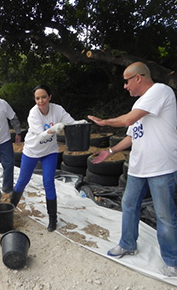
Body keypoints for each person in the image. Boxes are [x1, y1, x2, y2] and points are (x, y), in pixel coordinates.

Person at [87, 61, 177, 277]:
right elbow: (131, 137)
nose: (125, 86)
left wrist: (104, 121)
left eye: (127, 81)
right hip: (138, 167)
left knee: (164, 215)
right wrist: (109, 152)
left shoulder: (160, 91)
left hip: (161, 167)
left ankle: (172, 260)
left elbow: (127, 120)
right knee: (128, 205)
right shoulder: (141, 103)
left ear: (139, 77)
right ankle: (128, 244)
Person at [10, 84, 87, 232]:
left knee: (48, 182)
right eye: (37, 98)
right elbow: (40, 135)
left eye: (44, 97)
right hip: (32, 150)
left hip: (50, 151)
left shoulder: (57, 109)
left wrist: (79, 124)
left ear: (49, 97)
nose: (41, 101)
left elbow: (70, 122)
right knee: (22, 181)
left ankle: (53, 219)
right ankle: (10, 209)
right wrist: (53, 129)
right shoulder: (33, 114)